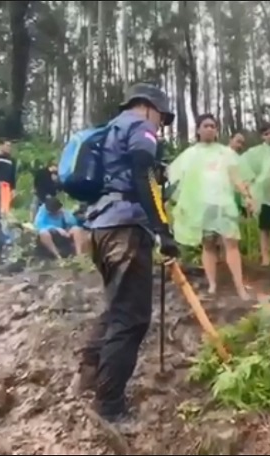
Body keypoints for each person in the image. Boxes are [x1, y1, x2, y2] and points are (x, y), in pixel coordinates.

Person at [79, 82, 179, 425]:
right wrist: (163, 230)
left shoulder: (110, 129)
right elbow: (141, 175)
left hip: (101, 228)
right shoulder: (140, 125)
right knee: (132, 318)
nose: (160, 126)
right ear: (150, 106)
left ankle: (90, 372)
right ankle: (109, 405)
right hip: (126, 228)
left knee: (116, 306)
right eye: (161, 119)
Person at [168, 114, 254, 300]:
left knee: (231, 244)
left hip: (223, 206)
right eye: (206, 126)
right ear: (198, 129)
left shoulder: (225, 153)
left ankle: (240, 287)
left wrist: (246, 195)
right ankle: (213, 285)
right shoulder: (191, 154)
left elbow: (236, 177)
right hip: (203, 207)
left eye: (213, 126)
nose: (209, 129)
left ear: (217, 130)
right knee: (208, 246)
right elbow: (176, 180)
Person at [239, 122, 270, 266]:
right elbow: (245, 164)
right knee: (264, 229)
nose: (269, 136)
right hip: (265, 198)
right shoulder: (258, 152)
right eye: (266, 134)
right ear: (262, 137)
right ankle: (265, 258)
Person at [0, 138, 17, 216]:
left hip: (6, 187)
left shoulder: (11, 160)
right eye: (7, 146)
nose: (9, 148)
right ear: (0, 146)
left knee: (5, 209)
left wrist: (13, 189)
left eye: (10, 146)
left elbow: (12, 175)